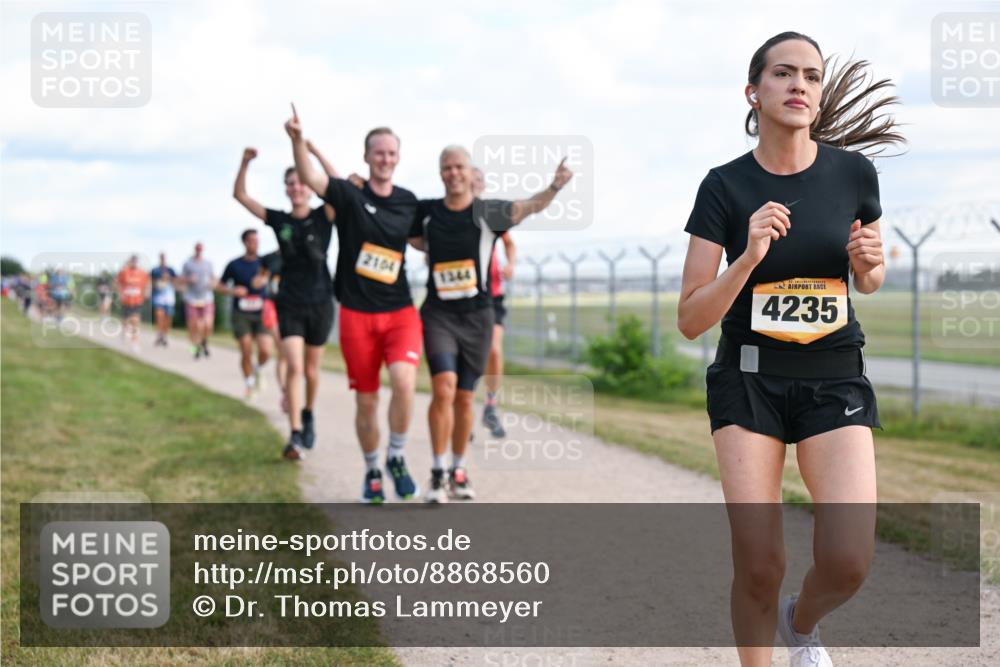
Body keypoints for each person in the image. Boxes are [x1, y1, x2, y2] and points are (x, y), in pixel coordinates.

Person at [677, 32, 902, 667]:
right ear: (755, 91)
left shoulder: (854, 173)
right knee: (759, 561)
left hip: (835, 378)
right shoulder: (724, 187)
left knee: (849, 559)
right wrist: (747, 257)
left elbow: (869, 276)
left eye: (810, 74)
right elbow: (691, 318)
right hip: (749, 382)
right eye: (783, 73)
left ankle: (800, 626)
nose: (799, 84)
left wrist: (871, 264)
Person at [410, 146, 573, 503]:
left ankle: (458, 469)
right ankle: (437, 473)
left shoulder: (487, 212)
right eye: (446, 168)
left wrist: (554, 187)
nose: (453, 173)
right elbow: (396, 227)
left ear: (470, 173)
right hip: (439, 314)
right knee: (443, 388)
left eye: (459, 167)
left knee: (466, 397)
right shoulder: (426, 213)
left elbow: (529, 206)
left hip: (478, 317)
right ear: (441, 174)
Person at [287, 111, 424, 504]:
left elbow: (424, 241)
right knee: (366, 401)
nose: (385, 159)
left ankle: (396, 455)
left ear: (398, 157)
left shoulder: (407, 202)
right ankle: (372, 470)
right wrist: (298, 140)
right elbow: (313, 179)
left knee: (403, 381)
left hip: (399, 312)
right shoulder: (349, 197)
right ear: (366, 158)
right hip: (356, 315)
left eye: (391, 153)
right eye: (378, 153)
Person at [233, 143, 337, 460]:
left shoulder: (324, 216)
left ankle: (307, 413)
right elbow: (241, 197)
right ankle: (293, 434)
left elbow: (338, 186)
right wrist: (245, 163)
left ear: (309, 186)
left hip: (321, 300)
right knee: (293, 366)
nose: (296, 188)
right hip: (290, 302)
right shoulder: (279, 221)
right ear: (286, 189)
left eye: (301, 183)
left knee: (312, 370)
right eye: (290, 184)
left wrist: (316, 152)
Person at [471, 167, 517, 438]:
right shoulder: (449, 212)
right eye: (470, 180)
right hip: (463, 295)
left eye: (479, 181)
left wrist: (510, 264)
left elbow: (510, 243)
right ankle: (463, 405)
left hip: (493, 294)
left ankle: (490, 405)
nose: (474, 185)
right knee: (467, 355)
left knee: (494, 350)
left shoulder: (489, 214)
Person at [218, 230, 273, 399]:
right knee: (247, 350)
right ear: (244, 243)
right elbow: (220, 286)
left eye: (257, 241)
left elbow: (272, 278)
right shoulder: (234, 264)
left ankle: (258, 369)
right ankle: (249, 385)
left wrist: (264, 280)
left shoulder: (265, 263)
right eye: (251, 241)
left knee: (265, 351)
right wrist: (233, 290)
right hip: (241, 312)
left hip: (261, 311)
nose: (254, 244)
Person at [257, 250, 288, 412]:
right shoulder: (269, 259)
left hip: (293, 306)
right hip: (272, 305)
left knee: (289, 355)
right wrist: (260, 280)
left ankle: (288, 392)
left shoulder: (300, 253)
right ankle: (286, 393)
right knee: (283, 350)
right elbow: (259, 279)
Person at [181, 242, 216, 359]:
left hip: (206, 297)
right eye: (197, 249)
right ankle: (195, 348)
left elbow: (213, 278)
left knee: (207, 324)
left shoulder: (208, 263)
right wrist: (188, 279)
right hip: (191, 298)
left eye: (200, 249)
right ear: (194, 249)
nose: (199, 251)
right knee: (194, 325)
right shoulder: (188, 264)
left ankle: (204, 342)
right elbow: (181, 279)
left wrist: (213, 283)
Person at [116, 255, 150, 350]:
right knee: (126, 321)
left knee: (136, 321)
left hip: (137, 300)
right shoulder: (124, 272)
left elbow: (148, 283)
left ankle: (134, 342)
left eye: (136, 261)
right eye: (133, 260)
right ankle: (123, 334)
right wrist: (120, 293)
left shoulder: (142, 273)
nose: (134, 262)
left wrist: (147, 292)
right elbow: (117, 282)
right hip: (126, 301)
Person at [150, 253, 178, 347]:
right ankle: (159, 334)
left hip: (169, 298)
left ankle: (164, 335)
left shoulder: (171, 270)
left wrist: (169, 278)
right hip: (158, 297)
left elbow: (176, 281)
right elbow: (150, 282)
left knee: (168, 318)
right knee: (159, 316)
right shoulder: (155, 270)